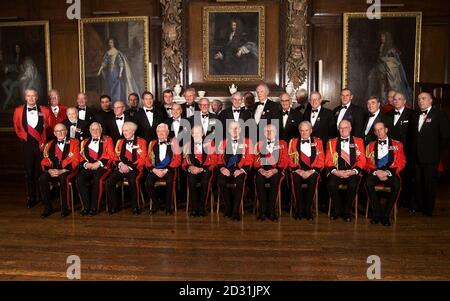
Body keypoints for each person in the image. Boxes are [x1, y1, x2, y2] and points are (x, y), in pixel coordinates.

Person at [411, 92, 450, 216]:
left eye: (423, 98)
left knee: (429, 184)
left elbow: (446, 137)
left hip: (431, 156)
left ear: (430, 100)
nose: (420, 101)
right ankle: (419, 206)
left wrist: (435, 151)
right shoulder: (416, 114)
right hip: (417, 156)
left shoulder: (439, 114)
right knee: (418, 183)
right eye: (419, 99)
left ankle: (428, 209)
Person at [13, 88, 51, 208]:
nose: (30, 98)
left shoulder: (45, 110)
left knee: (40, 172)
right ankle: (31, 197)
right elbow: (17, 128)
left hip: (41, 145)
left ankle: (43, 196)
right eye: (28, 96)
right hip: (27, 145)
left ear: (37, 97)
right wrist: (25, 138)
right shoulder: (18, 111)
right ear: (25, 97)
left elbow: (49, 126)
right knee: (29, 172)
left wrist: (43, 141)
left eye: (33, 96)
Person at [365, 121, 406, 226]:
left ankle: (386, 215)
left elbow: (402, 162)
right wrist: (376, 172)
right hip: (376, 172)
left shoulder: (397, 145)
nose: (379, 132)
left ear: (386, 130)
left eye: (381, 129)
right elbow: (366, 162)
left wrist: (387, 172)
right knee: (368, 183)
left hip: (390, 172)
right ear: (374, 132)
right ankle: (377, 213)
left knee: (396, 185)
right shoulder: (370, 145)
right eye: (376, 130)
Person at [325, 120, 366, 222]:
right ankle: (338, 209)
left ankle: (347, 211)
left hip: (352, 171)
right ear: (338, 129)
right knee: (331, 184)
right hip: (337, 171)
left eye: (346, 127)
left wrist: (353, 171)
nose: (343, 130)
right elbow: (328, 160)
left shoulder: (358, 141)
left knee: (353, 185)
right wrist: (336, 171)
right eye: (341, 128)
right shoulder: (332, 142)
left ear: (350, 128)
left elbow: (362, 160)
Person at [39, 123, 80, 218]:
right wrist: (49, 170)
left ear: (66, 131)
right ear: (54, 133)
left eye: (62, 130)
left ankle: (65, 208)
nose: (60, 133)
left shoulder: (74, 142)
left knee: (63, 178)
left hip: (69, 170)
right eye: (57, 131)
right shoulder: (49, 144)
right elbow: (45, 159)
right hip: (54, 170)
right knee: (42, 178)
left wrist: (62, 171)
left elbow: (76, 159)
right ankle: (48, 208)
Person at [107, 122, 147, 215]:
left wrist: (129, 167)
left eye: (127, 130)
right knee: (110, 181)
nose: (124, 132)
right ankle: (114, 205)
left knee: (133, 181)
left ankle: (135, 207)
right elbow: (115, 157)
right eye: (123, 130)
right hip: (121, 167)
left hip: (135, 168)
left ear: (133, 131)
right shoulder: (120, 142)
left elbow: (143, 158)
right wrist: (120, 164)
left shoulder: (141, 142)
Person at [216, 121, 254, 221]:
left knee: (240, 181)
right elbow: (219, 158)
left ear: (240, 130)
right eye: (232, 128)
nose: (235, 130)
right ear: (229, 130)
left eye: (237, 128)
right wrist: (222, 168)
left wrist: (242, 170)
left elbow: (250, 159)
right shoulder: (223, 142)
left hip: (240, 169)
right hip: (226, 169)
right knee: (220, 181)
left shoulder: (247, 142)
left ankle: (236, 211)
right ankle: (228, 207)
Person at [288, 121, 325, 221]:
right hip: (298, 170)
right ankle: (299, 210)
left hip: (312, 171)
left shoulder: (318, 142)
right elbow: (290, 159)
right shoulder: (293, 142)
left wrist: (311, 171)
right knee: (296, 181)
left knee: (312, 181)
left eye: (306, 130)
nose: (304, 133)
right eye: (302, 131)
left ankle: (308, 210)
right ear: (299, 131)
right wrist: (298, 170)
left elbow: (321, 159)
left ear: (311, 131)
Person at [77, 122, 115, 216]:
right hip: (89, 166)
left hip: (103, 167)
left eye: (97, 129)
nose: (95, 131)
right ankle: (86, 207)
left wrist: (99, 163)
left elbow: (111, 155)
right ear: (89, 131)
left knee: (96, 180)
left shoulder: (108, 140)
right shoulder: (84, 142)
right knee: (79, 179)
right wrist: (86, 164)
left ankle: (94, 208)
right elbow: (80, 156)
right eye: (93, 129)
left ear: (101, 130)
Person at [367, 32, 413, 106]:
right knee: (382, 92)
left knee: (391, 91)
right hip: (382, 74)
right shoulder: (382, 47)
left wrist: (384, 60)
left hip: (391, 75)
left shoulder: (391, 49)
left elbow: (394, 62)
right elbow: (379, 61)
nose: (382, 38)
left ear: (387, 38)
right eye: (381, 37)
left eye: (383, 37)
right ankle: (384, 105)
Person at [253, 124, 288, 221]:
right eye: (266, 131)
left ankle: (272, 210)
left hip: (276, 170)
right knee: (259, 179)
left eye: (271, 131)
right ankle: (263, 211)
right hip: (262, 170)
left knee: (275, 180)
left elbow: (285, 160)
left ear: (276, 132)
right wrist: (260, 169)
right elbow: (255, 160)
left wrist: (275, 170)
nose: (269, 133)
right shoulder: (259, 144)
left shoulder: (282, 143)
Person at [387, 92, 416, 207]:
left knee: (406, 176)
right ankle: (394, 199)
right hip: (391, 151)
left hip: (406, 151)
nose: (397, 101)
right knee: (393, 174)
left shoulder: (412, 114)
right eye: (395, 99)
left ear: (404, 101)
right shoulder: (388, 114)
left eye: (399, 99)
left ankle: (406, 200)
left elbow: (414, 135)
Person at [145, 123, 182, 215]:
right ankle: (156, 204)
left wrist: (166, 170)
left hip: (169, 169)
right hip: (155, 169)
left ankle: (168, 207)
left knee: (170, 182)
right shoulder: (152, 143)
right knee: (148, 182)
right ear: (156, 133)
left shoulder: (174, 142)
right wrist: (154, 170)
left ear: (168, 132)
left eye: (163, 131)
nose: (161, 133)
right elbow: (147, 159)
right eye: (159, 131)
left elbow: (178, 159)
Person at [182, 125, 217, 217]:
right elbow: (184, 162)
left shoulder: (210, 143)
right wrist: (190, 167)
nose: (196, 135)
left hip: (205, 169)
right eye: (194, 133)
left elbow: (214, 159)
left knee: (205, 182)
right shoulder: (187, 145)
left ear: (202, 134)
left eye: (199, 132)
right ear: (192, 134)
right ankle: (194, 209)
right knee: (191, 181)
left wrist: (202, 169)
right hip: (193, 169)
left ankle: (202, 208)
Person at [96, 37, 140, 104]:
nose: (110, 44)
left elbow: (121, 64)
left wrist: (120, 74)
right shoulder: (108, 53)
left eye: (111, 42)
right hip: (110, 74)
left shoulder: (118, 53)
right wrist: (99, 71)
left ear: (114, 43)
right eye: (109, 42)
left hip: (116, 73)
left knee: (118, 88)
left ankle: (118, 103)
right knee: (109, 88)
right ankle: (111, 104)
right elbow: (104, 63)